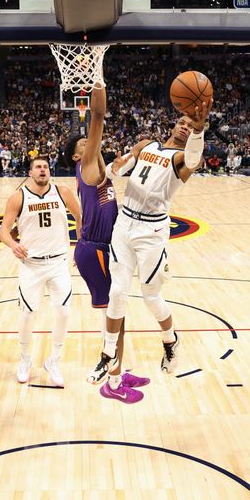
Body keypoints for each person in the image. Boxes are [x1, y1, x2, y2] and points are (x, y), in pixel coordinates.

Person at [91, 98, 211, 390]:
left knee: (150, 296)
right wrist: (114, 168)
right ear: (173, 124)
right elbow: (120, 167)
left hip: (152, 230)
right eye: (182, 122)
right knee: (117, 291)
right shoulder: (148, 145)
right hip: (124, 223)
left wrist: (199, 130)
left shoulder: (183, 159)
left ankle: (171, 340)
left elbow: (194, 160)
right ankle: (107, 353)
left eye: (189, 125)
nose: (184, 127)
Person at [61, 85, 148, 402]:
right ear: (76, 155)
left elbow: (134, 153)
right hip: (96, 250)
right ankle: (112, 383)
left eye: (92, 142)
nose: (91, 143)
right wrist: (98, 81)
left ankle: (119, 371)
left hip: (105, 247)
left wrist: (145, 146)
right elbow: (97, 117)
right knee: (113, 316)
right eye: (85, 143)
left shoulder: (101, 170)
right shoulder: (85, 167)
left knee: (119, 313)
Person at [0, 157, 82, 387]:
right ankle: (25, 359)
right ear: (30, 172)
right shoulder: (18, 197)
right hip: (31, 265)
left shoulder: (63, 192)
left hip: (58, 263)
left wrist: (81, 247)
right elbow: (3, 231)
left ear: (49, 171)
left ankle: (54, 361)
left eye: (45, 166)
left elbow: (80, 218)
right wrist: (13, 245)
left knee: (64, 312)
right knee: (27, 315)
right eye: (38, 167)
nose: (42, 170)